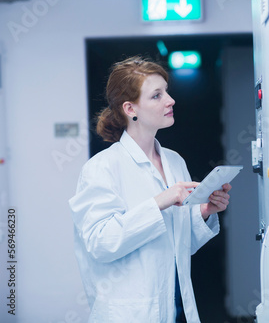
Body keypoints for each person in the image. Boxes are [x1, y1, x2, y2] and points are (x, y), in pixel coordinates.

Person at [68, 56, 231, 323]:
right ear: (130, 108)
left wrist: (203, 210)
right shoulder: (102, 168)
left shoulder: (174, 161)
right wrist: (160, 202)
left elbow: (181, 245)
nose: (170, 100)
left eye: (166, 91)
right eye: (157, 96)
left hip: (177, 307)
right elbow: (101, 243)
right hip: (131, 313)